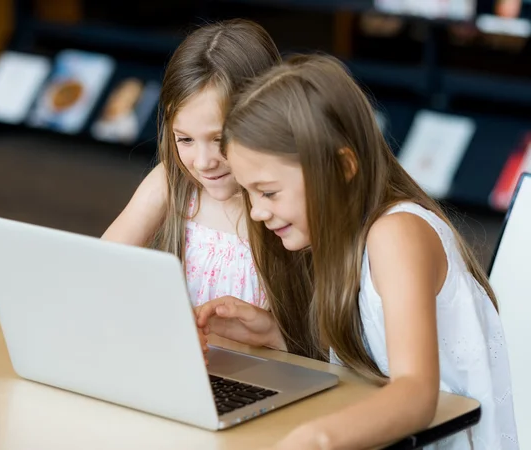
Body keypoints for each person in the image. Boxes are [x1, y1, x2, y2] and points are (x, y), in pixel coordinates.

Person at [197, 54, 518, 449]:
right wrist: (277, 336)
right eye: (248, 192)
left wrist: (318, 438)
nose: (257, 211)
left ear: (342, 167)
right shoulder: (346, 237)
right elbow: (375, 363)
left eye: (268, 191)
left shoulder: (396, 234)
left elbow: (416, 393)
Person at [102, 19, 281, 307]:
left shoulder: (287, 200)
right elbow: (99, 266)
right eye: (185, 140)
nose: (202, 163)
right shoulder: (171, 182)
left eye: (220, 140)